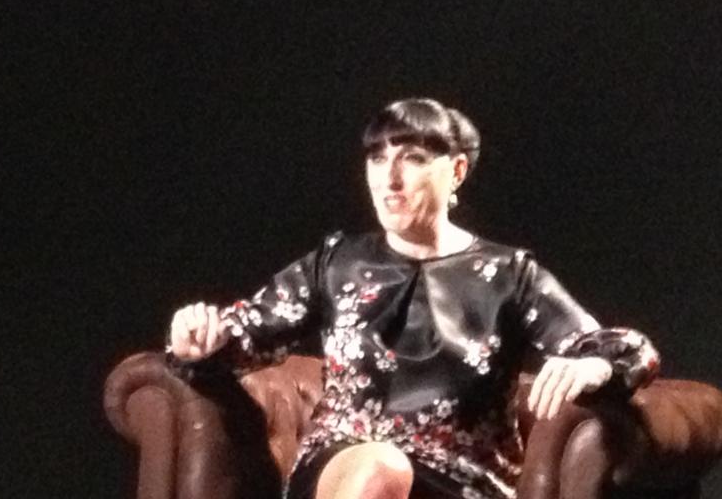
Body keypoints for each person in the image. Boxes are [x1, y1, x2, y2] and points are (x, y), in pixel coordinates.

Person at [167, 98, 660, 499]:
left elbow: (617, 348)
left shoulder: (509, 275)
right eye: (378, 158)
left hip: (463, 482)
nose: (390, 178)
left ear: (457, 171)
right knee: (381, 467)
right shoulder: (336, 263)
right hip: (349, 466)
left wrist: (594, 366)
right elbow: (247, 332)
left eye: (413, 159)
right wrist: (199, 338)